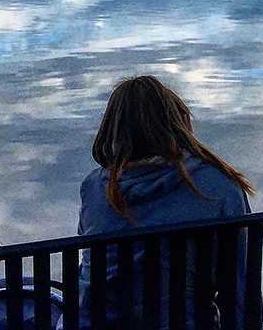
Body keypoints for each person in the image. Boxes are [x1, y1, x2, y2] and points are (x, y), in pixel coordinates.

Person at [78, 75, 254, 329]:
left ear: (113, 129)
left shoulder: (95, 189)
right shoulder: (219, 187)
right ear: (178, 126)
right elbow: (238, 289)